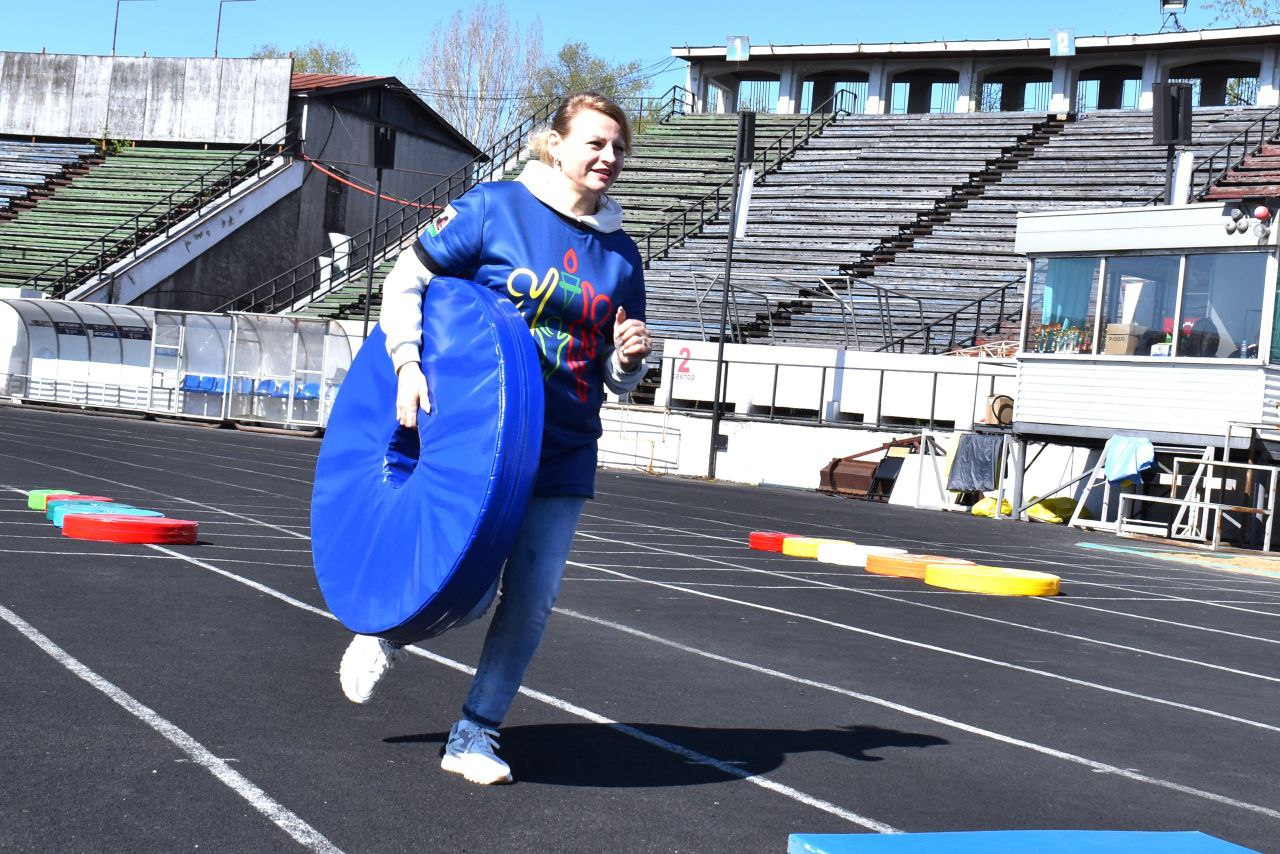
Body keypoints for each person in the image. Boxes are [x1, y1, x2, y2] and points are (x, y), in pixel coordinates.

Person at [337, 92, 653, 785]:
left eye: (619, 148)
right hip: (479, 440)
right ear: (557, 145)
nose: (609, 158)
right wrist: (407, 364)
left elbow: (613, 375)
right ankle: (389, 629)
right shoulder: (494, 208)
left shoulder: (623, 256)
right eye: (596, 143)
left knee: (531, 599)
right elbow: (406, 281)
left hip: (565, 446)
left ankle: (474, 733)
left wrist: (628, 360)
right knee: (471, 589)